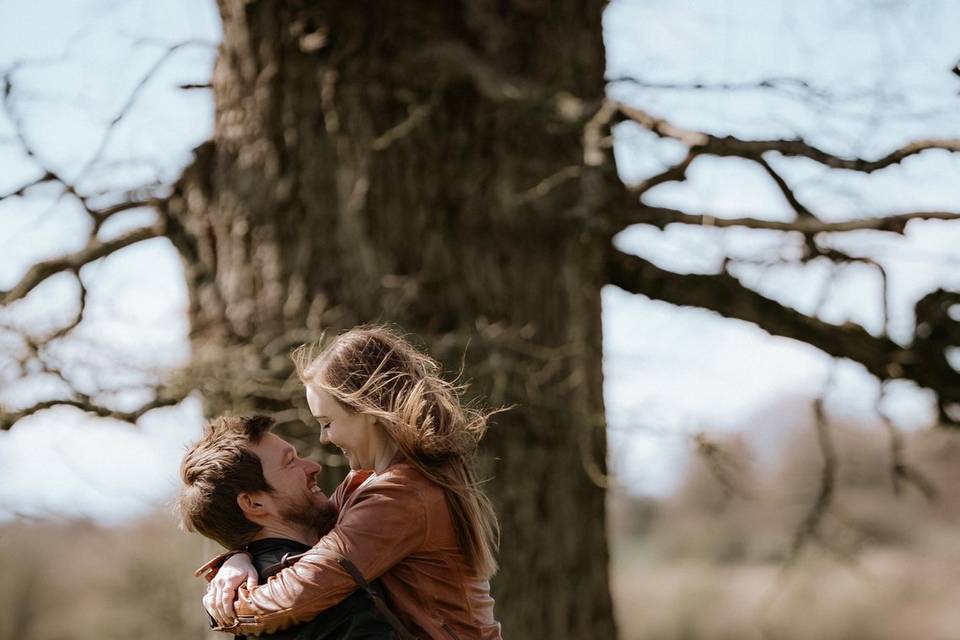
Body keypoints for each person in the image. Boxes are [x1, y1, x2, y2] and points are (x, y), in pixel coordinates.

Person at [203, 326, 503, 640]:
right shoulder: (364, 485)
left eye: (327, 423)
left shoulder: (400, 495)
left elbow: (297, 594)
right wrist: (237, 558)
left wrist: (229, 607)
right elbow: (305, 540)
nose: (324, 438)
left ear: (367, 409)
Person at [177, 413, 396, 640]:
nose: (313, 466)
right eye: (290, 462)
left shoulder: (270, 579)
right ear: (254, 503)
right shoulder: (318, 593)